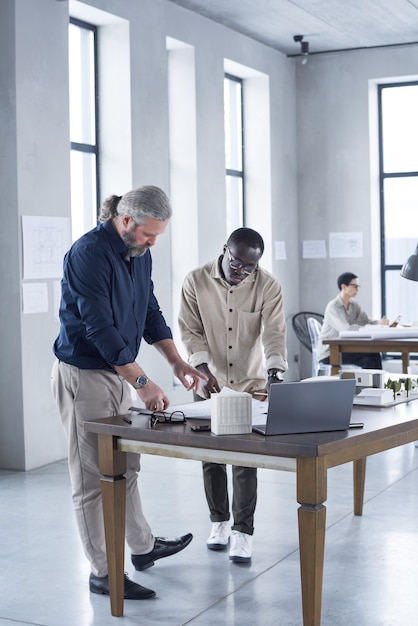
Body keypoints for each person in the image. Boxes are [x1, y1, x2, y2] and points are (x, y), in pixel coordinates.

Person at [51, 185, 207, 600]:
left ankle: (141, 547)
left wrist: (174, 361)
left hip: (117, 374)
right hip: (84, 376)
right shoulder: (88, 253)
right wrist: (142, 382)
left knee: (126, 467)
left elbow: (148, 309)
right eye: (149, 234)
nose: (154, 242)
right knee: (91, 479)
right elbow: (98, 328)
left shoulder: (138, 252)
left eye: (158, 235)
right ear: (126, 221)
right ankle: (103, 572)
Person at [178, 228, 288, 563]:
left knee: (244, 460)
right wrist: (201, 366)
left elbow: (274, 332)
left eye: (248, 269)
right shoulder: (194, 281)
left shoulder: (268, 285)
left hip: (249, 381)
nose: (241, 272)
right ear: (225, 249)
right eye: (236, 263)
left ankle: (243, 532)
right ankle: (219, 523)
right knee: (211, 457)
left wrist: (275, 374)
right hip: (208, 380)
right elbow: (189, 329)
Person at [318, 271, 390, 369]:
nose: (358, 289)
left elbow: (367, 321)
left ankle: (377, 383)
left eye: (358, 286)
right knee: (368, 360)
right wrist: (367, 328)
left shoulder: (354, 305)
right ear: (343, 286)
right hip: (330, 352)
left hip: (344, 348)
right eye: (355, 286)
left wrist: (379, 323)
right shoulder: (333, 306)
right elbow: (345, 329)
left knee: (374, 354)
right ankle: (369, 384)